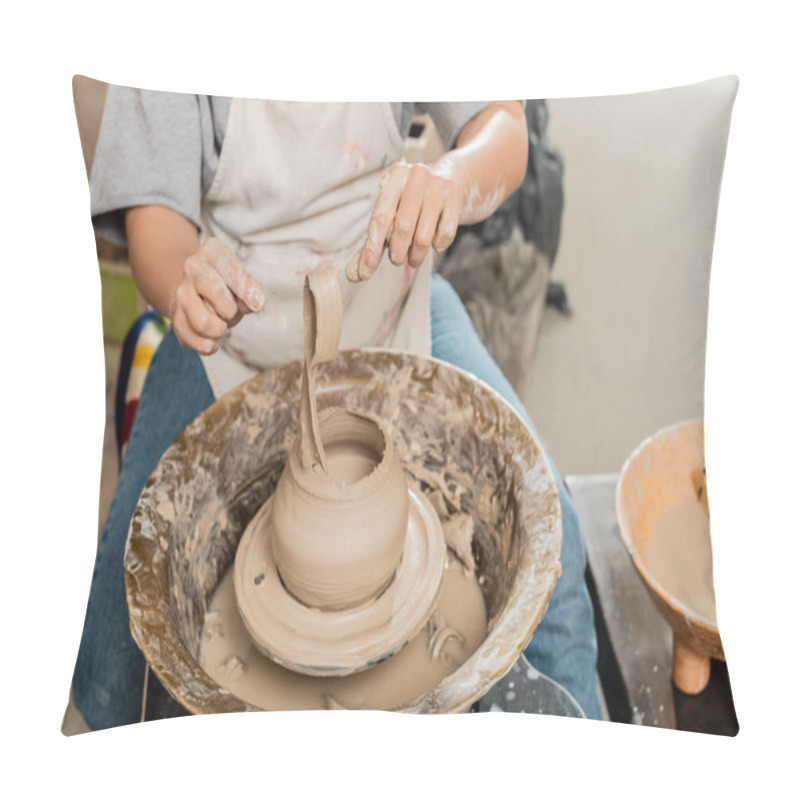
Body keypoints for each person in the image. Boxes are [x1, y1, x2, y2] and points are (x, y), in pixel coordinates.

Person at [71, 89, 601, 729]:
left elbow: (503, 126)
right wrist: (189, 279)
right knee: (118, 651)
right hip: (231, 327)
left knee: (555, 561)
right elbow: (156, 229)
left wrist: (452, 178)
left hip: (389, 301)